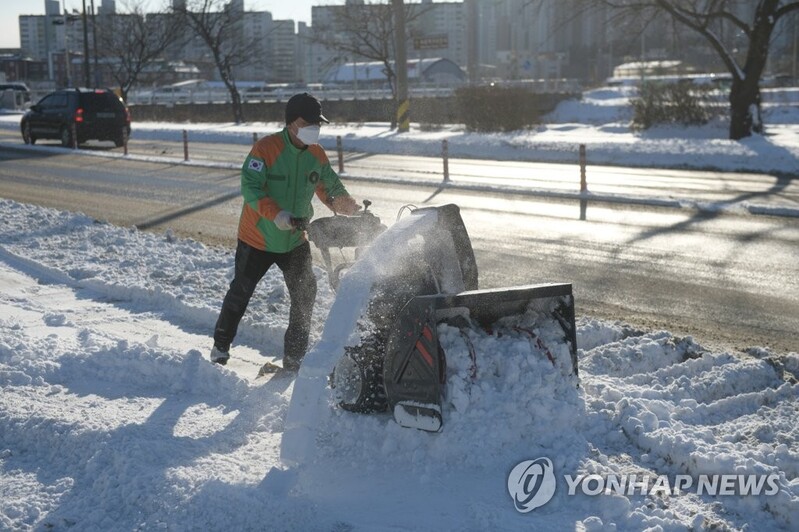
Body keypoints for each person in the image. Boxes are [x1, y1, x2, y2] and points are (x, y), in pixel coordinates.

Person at [210, 92, 359, 372]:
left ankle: (294, 358)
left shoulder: (316, 153)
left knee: (305, 294)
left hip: (294, 237)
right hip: (258, 237)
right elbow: (251, 188)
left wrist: (345, 203)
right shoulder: (266, 149)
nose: (314, 129)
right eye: (308, 123)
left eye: (318, 124)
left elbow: (329, 185)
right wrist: (274, 214)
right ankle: (220, 346)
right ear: (292, 124)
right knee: (241, 292)